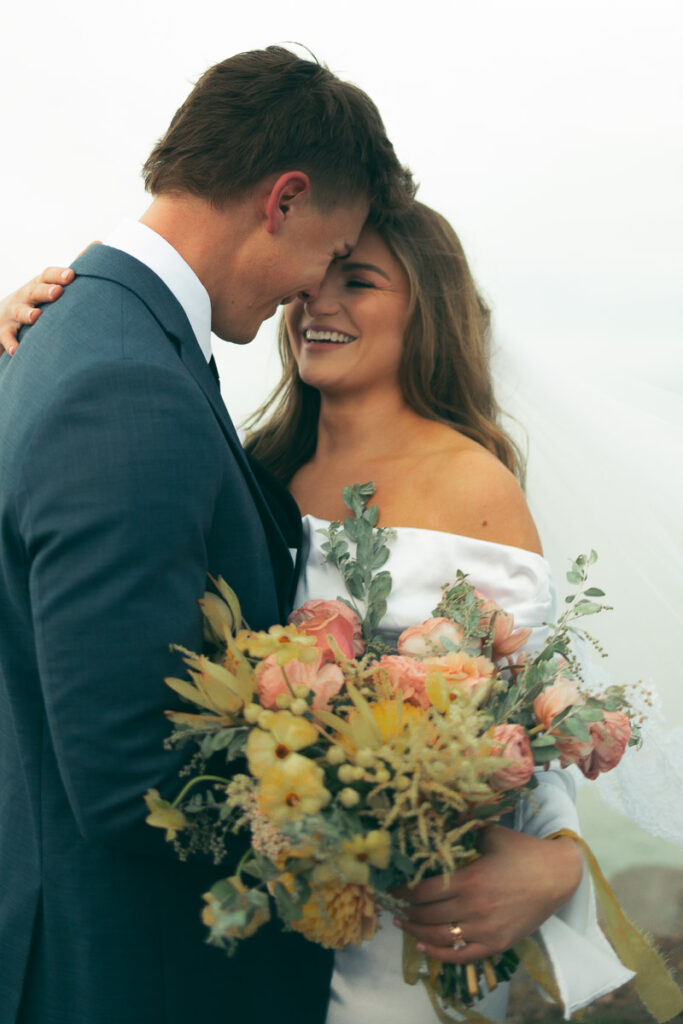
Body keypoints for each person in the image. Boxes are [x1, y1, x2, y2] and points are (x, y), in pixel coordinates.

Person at [0, 202, 636, 1022]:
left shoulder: (472, 485)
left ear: (427, 307)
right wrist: (40, 338)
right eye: (313, 280)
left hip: (403, 922)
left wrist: (556, 864)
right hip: (259, 914)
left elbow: (527, 712)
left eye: (357, 281)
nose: (314, 301)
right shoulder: (254, 465)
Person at [0, 45, 415, 1024]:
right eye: (333, 248)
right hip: (126, 977)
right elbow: (130, 771)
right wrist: (394, 793)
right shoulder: (125, 381)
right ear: (283, 198)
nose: (313, 292)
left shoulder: (87, 335)